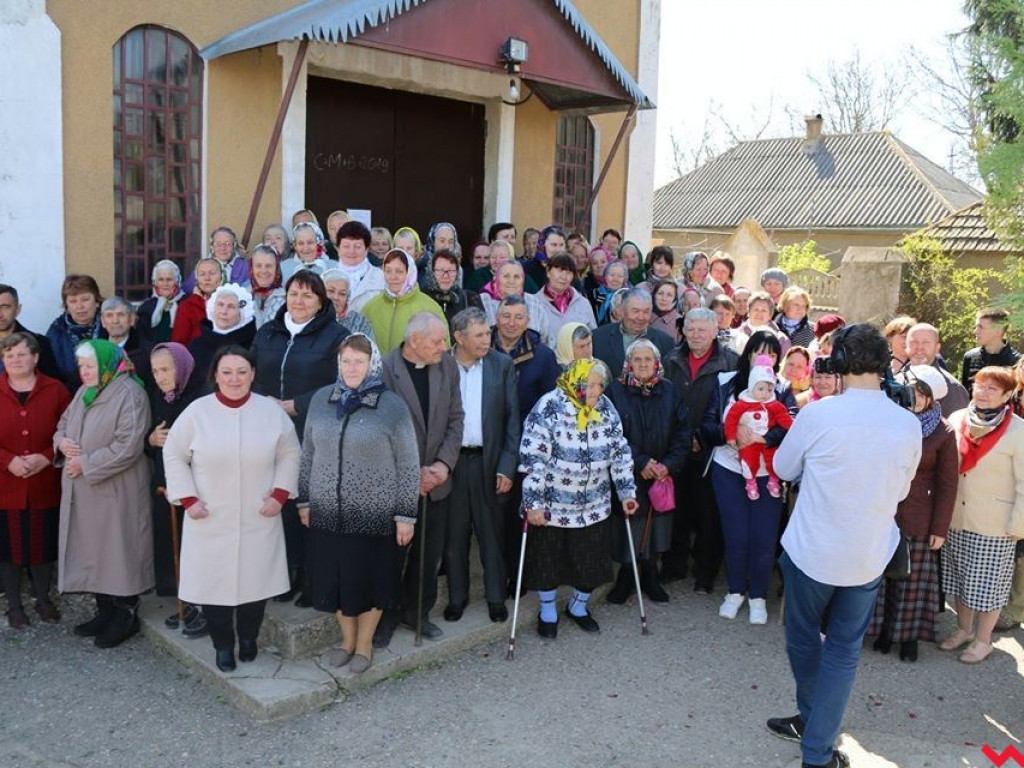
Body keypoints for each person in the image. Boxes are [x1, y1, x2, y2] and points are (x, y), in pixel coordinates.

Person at [767, 324, 921, 768]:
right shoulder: (906, 423)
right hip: (868, 554)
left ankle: (815, 736)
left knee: (804, 641)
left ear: (840, 363)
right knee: (842, 651)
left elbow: (782, 465)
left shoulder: (819, 414)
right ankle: (817, 744)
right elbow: (901, 491)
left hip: (812, 552)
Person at [163, 345, 301, 673]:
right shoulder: (197, 413)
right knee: (214, 588)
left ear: (253, 374)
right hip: (209, 517)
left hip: (258, 514)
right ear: (215, 375)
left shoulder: (271, 413)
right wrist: (188, 499)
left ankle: (249, 638)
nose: (234, 379)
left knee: (256, 584)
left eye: (242, 372)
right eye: (227, 372)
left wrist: (280, 495)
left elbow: (290, 453)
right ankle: (223, 645)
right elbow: (173, 454)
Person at [297, 333, 418, 673]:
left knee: (370, 581)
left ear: (372, 364)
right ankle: (346, 639)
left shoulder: (391, 406)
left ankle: (364, 644)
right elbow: (308, 453)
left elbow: (408, 464)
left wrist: (406, 515)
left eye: (359, 362)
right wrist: (303, 500)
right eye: (346, 361)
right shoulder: (323, 400)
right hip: (326, 513)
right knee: (333, 581)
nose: (352, 368)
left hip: (374, 514)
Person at [251, 271, 351, 605]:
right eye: (294, 293)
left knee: (311, 506)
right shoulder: (268, 332)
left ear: (322, 301)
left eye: (308, 295)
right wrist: (264, 402)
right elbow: (249, 373)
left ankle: (313, 580)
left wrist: (297, 405)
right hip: (269, 432)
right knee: (281, 504)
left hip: (314, 432)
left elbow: (345, 384)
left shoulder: (336, 336)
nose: (299, 301)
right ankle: (285, 573)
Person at [520, 358, 638, 637]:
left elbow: (620, 452)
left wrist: (626, 492)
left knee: (591, 562)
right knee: (547, 560)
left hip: (594, 504)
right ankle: (547, 611)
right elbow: (532, 458)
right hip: (553, 505)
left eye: (600, 385)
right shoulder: (549, 406)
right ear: (576, 382)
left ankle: (578, 606)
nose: (598, 390)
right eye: (592, 384)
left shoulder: (606, 408)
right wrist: (533, 503)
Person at [54, 339, 153, 649]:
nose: (84, 372)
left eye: (90, 366)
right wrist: (61, 442)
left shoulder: (130, 393)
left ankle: (126, 617)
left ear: (107, 364)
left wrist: (86, 463)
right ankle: (104, 612)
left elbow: (128, 446)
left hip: (116, 489)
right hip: (86, 489)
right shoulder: (86, 391)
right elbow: (64, 423)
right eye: (81, 366)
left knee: (118, 551)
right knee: (95, 551)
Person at [376, 313, 464, 647]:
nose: (444, 347)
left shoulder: (447, 367)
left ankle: (417, 612)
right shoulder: (384, 369)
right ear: (414, 341)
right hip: (396, 482)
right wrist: (412, 474)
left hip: (437, 480)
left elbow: (456, 419)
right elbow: (377, 429)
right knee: (389, 556)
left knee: (428, 554)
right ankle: (384, 616)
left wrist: (443, 465)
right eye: (437, 341)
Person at [702, 334, 795, 624]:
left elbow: (791, 425)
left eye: (772, 354)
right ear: (748, 354)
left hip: (768, 473)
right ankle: (735, 591)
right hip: (729, 469)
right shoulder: (725, 382)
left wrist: (762, 437)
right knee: (737, 535)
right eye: (758, 352)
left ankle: (758, 596)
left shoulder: (783, 389)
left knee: (764, 537)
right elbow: (706, 426)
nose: (764, 359)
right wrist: (730, 435)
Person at [867, 365, 957, 662]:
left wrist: (940, 529)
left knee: (912, 579)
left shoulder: (943, 431)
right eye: (913, 391)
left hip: (920, 514)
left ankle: (908, 637)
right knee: (879, 575)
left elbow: (947, 482)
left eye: (922, 394)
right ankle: (881, 631)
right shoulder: (889, 420)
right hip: (885, 509)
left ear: (933, 398)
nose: (916, 398)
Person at [940, 366, 1024, 664]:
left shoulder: (1018, 430)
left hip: (996, 523)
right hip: (957, 517)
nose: (983, 392)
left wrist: (1018, 525)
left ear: (1007, 394)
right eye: (980, 386)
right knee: (962, 578)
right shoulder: (957, 419)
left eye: (992, 388)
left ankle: (984, 639)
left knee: (990, 585)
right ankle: (963, 629)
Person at [443, 309, 520, 623]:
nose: (487, 339)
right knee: (454, 535)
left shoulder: (502, 365)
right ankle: (457, 597)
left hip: (489, 463)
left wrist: (507, 466)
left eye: (487, 334)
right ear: (459, 338)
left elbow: (512, 421)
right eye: (479, 335)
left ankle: (495, 597)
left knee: (492, 534)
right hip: (451, 463)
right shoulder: (442, 365)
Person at [605, 339, 690, 605]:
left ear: (656, 363)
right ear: (629, 364)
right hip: (629, 471)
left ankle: (650, 573)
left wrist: (667, 465)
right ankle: (627, 575)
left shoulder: (669, 391)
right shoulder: (614, 392)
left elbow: (683, 433)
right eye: (637, 360)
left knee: (656, 525)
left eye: (648, 360)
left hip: (662, 471)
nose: (643, 365)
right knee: (630, 522)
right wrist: (642, 463)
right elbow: (610, 434)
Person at [661, 308, 739, 592]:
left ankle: (705, 572)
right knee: (677, 511)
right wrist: (681, 438)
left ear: (715, 330)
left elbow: (731, 408)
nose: (695, 334)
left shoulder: (730, 362)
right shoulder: (671, 358)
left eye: (701, 329)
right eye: (690, 329)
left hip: (712, 450)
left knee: (710, 515)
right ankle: (674, 566)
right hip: (677, 448)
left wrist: (703, 437)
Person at [0, 333, 71, 628]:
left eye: (21, 354)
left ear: (36, 357)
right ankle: (14, 606)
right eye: (9, 354)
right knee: (7, 548)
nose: (15, 360)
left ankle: (44, 599)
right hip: (5, 484)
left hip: (45, 482)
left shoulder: (56, 390)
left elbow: (69, 430)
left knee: (42, 545)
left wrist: (46, 455)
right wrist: (8, 461)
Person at [144, 342, 206, 639]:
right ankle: (187, 602)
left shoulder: (199, 397)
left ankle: (206, 608)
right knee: (175, 547)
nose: (160, 376)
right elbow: (154, 437)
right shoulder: (161, 396)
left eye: (166, 369)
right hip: (166, 485)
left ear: (180, 367)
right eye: (155, 371)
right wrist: (150, 440)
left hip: (196, 487)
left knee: (197, 550)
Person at [723, 354, 795, 501]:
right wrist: (730, 436)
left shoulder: (774, 404)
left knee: (773, 459)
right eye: (761, 389)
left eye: (769, 390)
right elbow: (731, 419)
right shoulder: (742, 404)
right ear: (751, 387)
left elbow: (784, 418)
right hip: (748, 441)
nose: (765, 394)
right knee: (749, 461)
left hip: (767, 440)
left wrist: (794, 428)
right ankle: (750, 483)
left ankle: (773, 481)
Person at [362, 249, 448, 354]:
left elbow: (443, 349)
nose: (393, 277)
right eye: (388, 271)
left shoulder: (430, 308)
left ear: (410, 272)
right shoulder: (370, 307)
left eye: (399, 271)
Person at [592, 287, 674, 376]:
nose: (641, 317)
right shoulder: (598, 338)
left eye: (646, 312)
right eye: (636, 311)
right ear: (622, 311)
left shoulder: (666, 343)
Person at [46, 274, 103, 392]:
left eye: (85, 299)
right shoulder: (56, 331)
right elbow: (51, 373)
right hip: (69, 396)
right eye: (73, 301)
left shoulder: (109, 325)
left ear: (97, 301)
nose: (80, 306)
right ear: (66, 306)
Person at [187, 284, 257, 376]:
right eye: (220, 304)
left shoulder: (254, 345)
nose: (224, 311)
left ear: (242, 313)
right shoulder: (197, 344)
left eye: (231, 306)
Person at [904, 323, 970, 417]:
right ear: (906, 346)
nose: (919, 347)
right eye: (914, 342)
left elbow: (957, 427)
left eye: (926, 343)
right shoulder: (896, 380)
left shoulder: (952, 388)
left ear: (937, 348)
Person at [479, 259, 548, 342]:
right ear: (496, 278)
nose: (511, 281)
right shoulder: (481, 301)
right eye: (506, 276)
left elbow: (545, 337)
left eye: (516, 277)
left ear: (523, 281)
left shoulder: (534, 303)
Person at [0, 285, 59, 380]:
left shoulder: (40, 343)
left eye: (5, 307)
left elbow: (51, 387)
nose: (0, 314)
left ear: (18, 309)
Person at [536, 253, 597, 342]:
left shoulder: (583, 303)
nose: (564, 277)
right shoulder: (534, 303)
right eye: (559, 270)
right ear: (548, 272)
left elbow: (593, 335)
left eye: (568, 273)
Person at [961, 307, 1020, 395]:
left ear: (998, 331)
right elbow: (965, 396)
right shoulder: (970, 357)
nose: (975, 331)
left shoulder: (1017, 362)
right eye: (976, 327)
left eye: (981, 327)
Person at [422, 249, 484, 330]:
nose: (445, 276)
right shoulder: (422, 299)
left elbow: (481, 331)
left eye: (451, 271)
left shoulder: (470, 299)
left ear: (457, 273)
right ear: (432, 272)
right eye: (440, 271)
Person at [172, 257, 225, 347]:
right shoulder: (187, 306)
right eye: (202, 274)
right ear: (196, 280)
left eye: (212, 273)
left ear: (221, 277)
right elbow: (179, 343)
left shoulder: (232, 301)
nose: (207, 278)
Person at [99, 296, 151, 386]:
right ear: (103, 321)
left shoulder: (148, 352)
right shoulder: (94, 351)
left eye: (121, 314)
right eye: (109, 315)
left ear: (131, 319)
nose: (115, 321)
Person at [334, 221, 386, 311]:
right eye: (346, 246)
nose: (351, 251)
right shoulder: (325, 278)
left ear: (366, 249)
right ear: (338, 248)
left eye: (357, 246)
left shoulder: (381, 278)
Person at [134, 261, 187, 347]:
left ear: (177, 281)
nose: (165, 284)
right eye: (161, 280)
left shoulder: (188, 304)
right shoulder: (145, 308)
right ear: (155, 282)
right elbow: (142, 339)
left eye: (169, 279)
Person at [183, 227, 249, 293]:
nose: (223, 248)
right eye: (218, 244)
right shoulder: (203, 266)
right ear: (212, 247)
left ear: (234, 246)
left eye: (227, 244)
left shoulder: (245, 267)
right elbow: (185, 290)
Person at [321, 269, 374, 340]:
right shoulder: (309, 318)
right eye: (331, 291)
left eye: (342, 294)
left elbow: (369, 349)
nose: (336, 297)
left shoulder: (361, 323)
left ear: (347, 297)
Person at [733, 291, 790, 357]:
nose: (759, 313)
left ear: (770, 315)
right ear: (748, 311)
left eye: (764, 310)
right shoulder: (735, 336)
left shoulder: (781, 340)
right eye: (756, 309)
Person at [249, 244, 286, 329]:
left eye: (268, 266)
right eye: (258, 266)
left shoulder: (286, 298)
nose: (263, 271)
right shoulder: (243, 296)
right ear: (252, 268)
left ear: (277, 268)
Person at [522, 225, 566, 289]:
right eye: (554, 245)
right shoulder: (527, 268)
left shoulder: (569, 270)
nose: (558, 249)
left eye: (561, 245)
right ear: (542, 245)